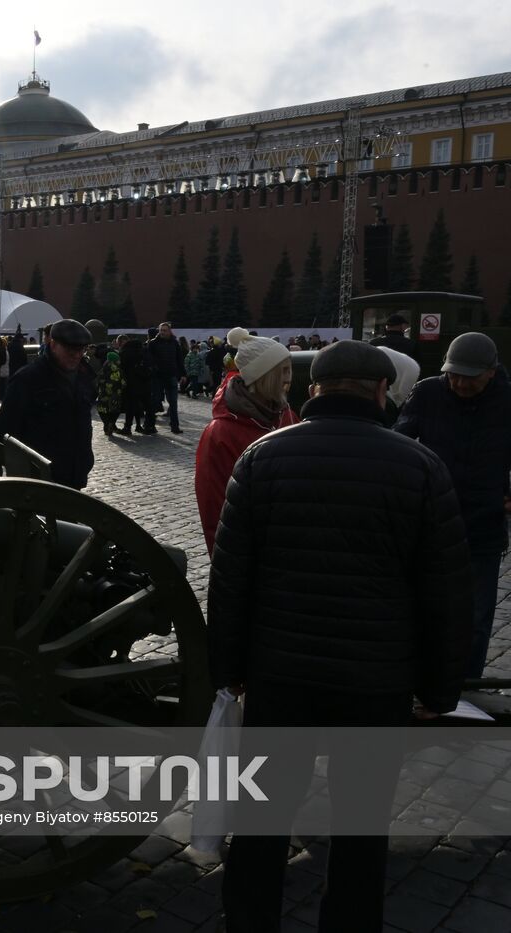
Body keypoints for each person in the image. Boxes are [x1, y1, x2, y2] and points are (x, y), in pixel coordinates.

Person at [208, 339, 471, 933]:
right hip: (374, 680)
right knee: (361, 826)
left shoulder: (261, 457)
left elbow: (230, 578)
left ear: (313, 390)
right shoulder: (420, 466)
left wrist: (229, 670)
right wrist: (439, 690)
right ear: (381, 392)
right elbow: (446, 592)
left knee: (261, 818)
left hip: (281, 674)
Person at [394, 331, 511, 678]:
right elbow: (400, 440)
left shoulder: (507, 400)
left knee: (476, 613)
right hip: (432, 518)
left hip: (484, 523)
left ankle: (467, 683)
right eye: (453, 374)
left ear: (491, 372)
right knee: (422, 605)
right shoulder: (427, 392)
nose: (459, 383)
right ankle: (420, 677)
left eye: (469, 377)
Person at [193, 328, 297, 554]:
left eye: (290, 369)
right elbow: (215, 509)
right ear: (263, 376)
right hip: (252, 553)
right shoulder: (220, 433)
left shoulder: (287, 415)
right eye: (283, 371)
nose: (289, 377)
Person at [0, 318, 97, 489]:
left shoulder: (85, 376)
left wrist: (85, 461)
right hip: (38, 477)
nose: (76, 355)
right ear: (53, 345)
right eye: (70, 350)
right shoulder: (27, 379)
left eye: (81, 350)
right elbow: (5, 429)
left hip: (75, 472)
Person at [144, 321, 186, 434]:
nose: (162, 332)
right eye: (161, 330)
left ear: (169, 331)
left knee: (173, 402)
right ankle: (149, 425)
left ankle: (175, 426)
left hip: (171, 375)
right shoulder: (153, 343)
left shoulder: (175, 343)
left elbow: (179, 359)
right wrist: (154, 369)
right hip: (157, 377)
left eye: (165, 330)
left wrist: (183, 374)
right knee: (154, 401)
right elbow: (148, 359)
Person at [118, 335, 152, 435]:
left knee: (130, 406)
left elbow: (122, 367)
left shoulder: (125, 352)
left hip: (131, 383)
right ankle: (147, 426)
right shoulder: (144, 350)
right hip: (145, 382)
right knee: (145, 405)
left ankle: (127, 427)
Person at [96, 349, 125, 437]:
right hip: (115, 394)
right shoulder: (118, 370)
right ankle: (111, 423)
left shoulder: (103, 369)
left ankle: (106, 424)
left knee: (102, 410)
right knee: (115, 410)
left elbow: (98, 381)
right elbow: (123, 383)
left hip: (103, 394)